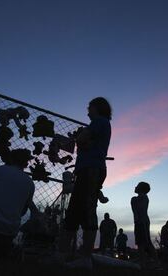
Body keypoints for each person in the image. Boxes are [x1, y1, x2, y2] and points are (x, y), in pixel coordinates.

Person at [57, 97, 112, 269]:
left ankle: (85, 257)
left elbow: (81, 140)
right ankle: (62, 255)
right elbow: (83, 141)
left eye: (89, 107)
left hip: (92, 170)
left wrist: (80, 137)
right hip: (87, 170)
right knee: (74, 210)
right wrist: (82, 138)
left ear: (97, 108)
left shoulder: (99, 122)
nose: (87, 110)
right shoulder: (98, 124)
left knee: (87, 210)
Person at [131, 181, 157, 269]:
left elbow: (138, 208)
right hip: (138, 222)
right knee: (140, 243)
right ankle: (142, 264)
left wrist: (134, 200)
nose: (135, 187)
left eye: (137, 186)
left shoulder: (143, 197)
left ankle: (156, 262)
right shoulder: (136, 198)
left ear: (141, 189)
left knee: (147, 242)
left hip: (143, 222)